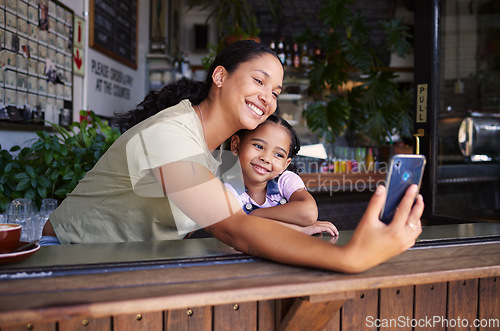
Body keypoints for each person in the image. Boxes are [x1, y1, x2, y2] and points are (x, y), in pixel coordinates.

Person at [42, 40, 423, 273]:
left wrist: (289, 233)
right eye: (259, 81)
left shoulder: (219, 151)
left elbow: (231, 219)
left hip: (122, 262)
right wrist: (351, 258)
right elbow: (236, 229)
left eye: (276, 91)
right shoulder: (171, 134)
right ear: (220, 76)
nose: (268, 98)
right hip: (64, 258)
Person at [225, 114, 338, 237]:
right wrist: (300, 230)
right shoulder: (228, 191)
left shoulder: (285, 181)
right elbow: (242, 230)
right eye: (259, 146)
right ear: (236, 145)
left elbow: (308, 213)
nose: (266, 158)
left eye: (278, 155)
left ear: (285, 165)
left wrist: (256, 215)